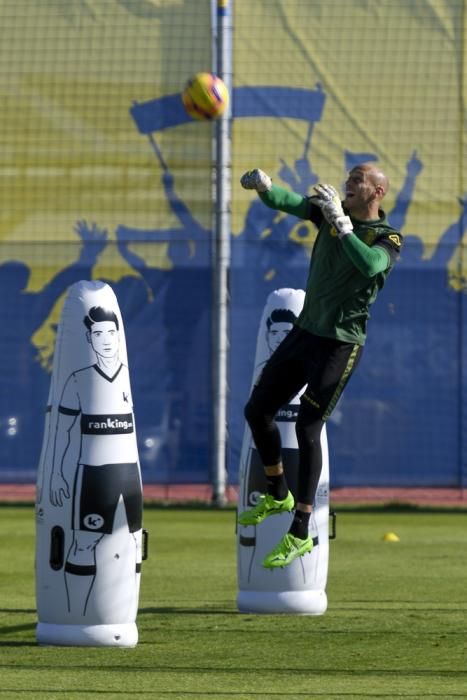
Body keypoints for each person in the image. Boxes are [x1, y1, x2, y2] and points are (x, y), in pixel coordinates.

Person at [238, 163, 403, 568]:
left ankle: (300, 530)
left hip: (340, 345)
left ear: (377, 193)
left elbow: (370, 266)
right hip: (305, 333)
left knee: (307, 427)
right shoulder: (329, 213)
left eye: (359, 179)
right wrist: (264, 187)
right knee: (256, 411)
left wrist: (343, 225)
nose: (349, 182)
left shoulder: (388, 237)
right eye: (349, 176)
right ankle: (278, 493)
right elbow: (290, 202)